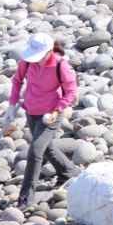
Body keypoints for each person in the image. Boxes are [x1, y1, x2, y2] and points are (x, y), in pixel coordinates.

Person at [10, 33, 77, 209]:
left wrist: (57, 110)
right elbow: (17, 81)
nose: (36, 60)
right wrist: (11, 105)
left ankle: (25, 198)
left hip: (50, 114)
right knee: (46, 147)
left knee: (35, 151)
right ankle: (69, 171)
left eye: (40, 57)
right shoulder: (27, 61)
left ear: (49, 51)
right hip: (31, 111)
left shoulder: (61, 65)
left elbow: (71, 91)